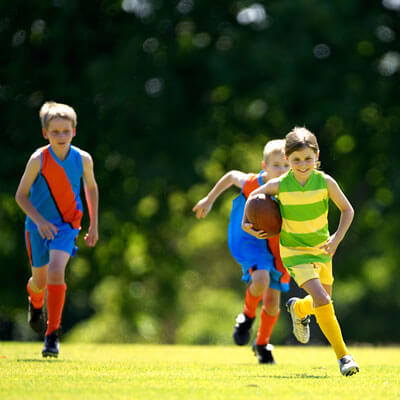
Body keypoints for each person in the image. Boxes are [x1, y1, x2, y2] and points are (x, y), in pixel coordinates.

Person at [243, 127, 359, 376]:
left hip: (323, 250)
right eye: (296, 160)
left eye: (308, 158)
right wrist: (246, 223)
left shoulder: (325, 182)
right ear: (287, 159)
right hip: (294, 252)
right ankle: (344, 357)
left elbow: (348, 210)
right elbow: (253, 195)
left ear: (317, 156)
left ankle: (298, 309)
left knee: (320, 304)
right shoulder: (281, 185)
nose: (303, 164)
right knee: (325, 301)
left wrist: (336, 239)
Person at [193, 140, 290, 364]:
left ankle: (262, 344)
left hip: (279, 247)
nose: (282, 170)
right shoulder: (252, 183)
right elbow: (230, 176)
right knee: (261, 279)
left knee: (273, 302)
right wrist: (209, 199)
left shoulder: (294, 188)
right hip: (252, 242)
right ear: (264, 166)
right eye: (276, 165)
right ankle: (247, 316)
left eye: (286, 166)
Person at [15, 101, 99, 358]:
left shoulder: (83, 159)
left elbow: (91, 188)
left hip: (67, 225)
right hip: (38, 226)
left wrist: (94, 224)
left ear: (74, 131)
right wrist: (39, 221)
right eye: (55, 132)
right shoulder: (37, 159)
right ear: (45, 134)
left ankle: (52, 335)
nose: (61, 136)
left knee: (56, 269)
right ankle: (36, 303)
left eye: (66, 131)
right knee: (39, 282)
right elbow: (20, 196)